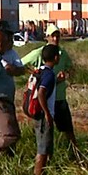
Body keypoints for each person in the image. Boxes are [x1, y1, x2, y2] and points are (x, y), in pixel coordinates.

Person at [21, 24, 80, 156]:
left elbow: (71, 69)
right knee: (45, 135)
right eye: (52, 36)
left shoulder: (62, 54)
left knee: (68, 131)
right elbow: (21, 64)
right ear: (46, 37)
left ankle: (76, 155)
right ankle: (42, 164)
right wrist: (34, 75)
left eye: (57, 36)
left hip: (59, 99)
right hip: (44, 102)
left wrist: (66, 75)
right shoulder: (40, 53)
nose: (55, 38)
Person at [33, 44, 60, 175]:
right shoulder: (49, 74)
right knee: (42, 151)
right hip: (44, 117)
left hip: (38, 116)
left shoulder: (40, 71)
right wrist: (48, 114)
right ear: (55, 57)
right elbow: (41, 93)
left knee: (45, 149)